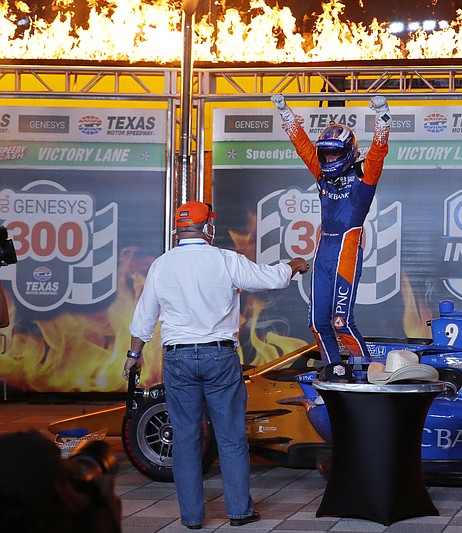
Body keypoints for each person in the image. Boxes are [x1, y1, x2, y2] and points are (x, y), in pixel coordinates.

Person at [123, 200, 308, 530]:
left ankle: (192, 518)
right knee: (231, 438)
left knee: (186, 439)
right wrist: (292, 266)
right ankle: (239, 512)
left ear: (179, 230)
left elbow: (144, 318)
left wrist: (134, 355)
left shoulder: (162, 265)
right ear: (207, 227)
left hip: (178, 357)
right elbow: (270, 278)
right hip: (220, 356)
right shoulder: (225, 260)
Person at [270, 93, 391, 381]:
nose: (329, 158)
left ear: (348, 151)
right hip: (323, 253)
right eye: (325, 153)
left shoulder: (365, 179)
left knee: (341, 322)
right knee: (316, 322)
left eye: (335, 153)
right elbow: (303, 148)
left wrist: (383, 116)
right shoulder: (321, 173)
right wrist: (286, 114)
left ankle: (367, 374)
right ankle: (334, 371)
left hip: (347, 252)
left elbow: (378, 152)